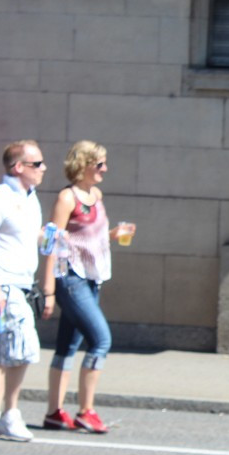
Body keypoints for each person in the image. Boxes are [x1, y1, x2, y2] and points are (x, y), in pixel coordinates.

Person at [40, 141, 134, 434]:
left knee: (67, 346)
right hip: (70, 279)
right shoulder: (67, 199)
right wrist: (48, 290)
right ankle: (86, 411)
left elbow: (90, 239)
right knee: (101, 340)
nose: (105, 169)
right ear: (84, 165)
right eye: (100, 164)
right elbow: (51, 243)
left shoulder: (96, 194)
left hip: (92, 276)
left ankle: (54, 412)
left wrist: (113, 235)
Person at [0, 139, 49, 441]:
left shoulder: (30, 197)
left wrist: (50, 238)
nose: (43, 169)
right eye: (37, 164)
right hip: (4, 287)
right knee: (24, 348)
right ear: (18, 167)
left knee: (6, 352)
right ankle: (10, 414)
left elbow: (33, 238)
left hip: (20, 283)